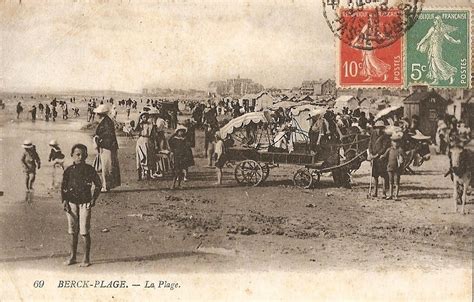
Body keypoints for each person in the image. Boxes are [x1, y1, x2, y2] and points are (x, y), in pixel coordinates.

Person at [61, 144, 102, 267]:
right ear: (72, 155)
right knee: (72, 231)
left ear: (86, 155)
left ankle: (86, 258)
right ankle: (72, 257)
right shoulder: (68, 170)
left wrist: (94, 199)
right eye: (77, 154)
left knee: (84, 231)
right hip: (71, 203)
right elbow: (63, 187)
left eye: (83, 154)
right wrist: (64, 201)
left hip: (85, 203)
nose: (80, 157)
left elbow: (98, 185)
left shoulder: (90, 169)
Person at [94, 104, 121, 192]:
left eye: (97, 114)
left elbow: (108, 136)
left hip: (107, 147)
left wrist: (99, 141)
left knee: (107, 167)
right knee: (108, 167)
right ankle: (107, 185)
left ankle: (106, 186)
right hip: (108, 146)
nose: (95, 115)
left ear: (100, 114)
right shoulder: (106, 121)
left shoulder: (106, 123)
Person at [367, 120, 391, 198]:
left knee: (383, 175)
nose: (378, 130)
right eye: (377, 128)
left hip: (381, 158)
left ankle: (384, 192)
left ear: (382, 128)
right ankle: (375, 192)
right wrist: (370, 153)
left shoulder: (385, 136)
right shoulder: (373, 134)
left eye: (380, 128)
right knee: (375, 176)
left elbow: (384, 147)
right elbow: (370, 143)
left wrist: (377, 154)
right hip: (374, 157)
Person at [380, 132, 405, 200]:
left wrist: (401, 159)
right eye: (394, 141)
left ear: (399, 142)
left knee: (396, 182)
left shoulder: (400, 150)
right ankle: (390, 194)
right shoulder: (389, 149)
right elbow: (384, 155)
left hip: (397, 168)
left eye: (397, 142)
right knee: (390, 181)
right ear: (391, 142)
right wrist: (381, 157)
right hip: (390, 167)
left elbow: (403, 158)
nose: (395, 143)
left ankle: (396, 195)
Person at [134, 112, 155, 180]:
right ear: (141, 118)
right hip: (141, 141)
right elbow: (135, 129)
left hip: (148, 140)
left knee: (148, 157)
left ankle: (148, 174)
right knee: (139, 157)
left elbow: (153, 134)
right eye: (143, 117)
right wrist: (138, 121)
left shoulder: (151, 125)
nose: (145, 118)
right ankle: (139, 175)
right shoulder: (140, 125)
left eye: (146, 117)